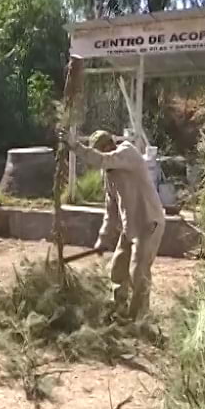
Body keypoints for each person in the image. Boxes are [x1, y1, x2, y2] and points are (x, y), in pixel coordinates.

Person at [64, 130, 165, 320]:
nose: (99, 160)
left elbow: (103, 160)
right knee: (118, 269)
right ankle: (119, 309)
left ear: (109, 146)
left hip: (149, 224)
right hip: (130, 228)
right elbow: (110, 211)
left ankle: (138, 319)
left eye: (101, 151)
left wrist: (76, 146)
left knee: (138, 272)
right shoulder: (108, 175)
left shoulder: (127, 152)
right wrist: (103, 238)